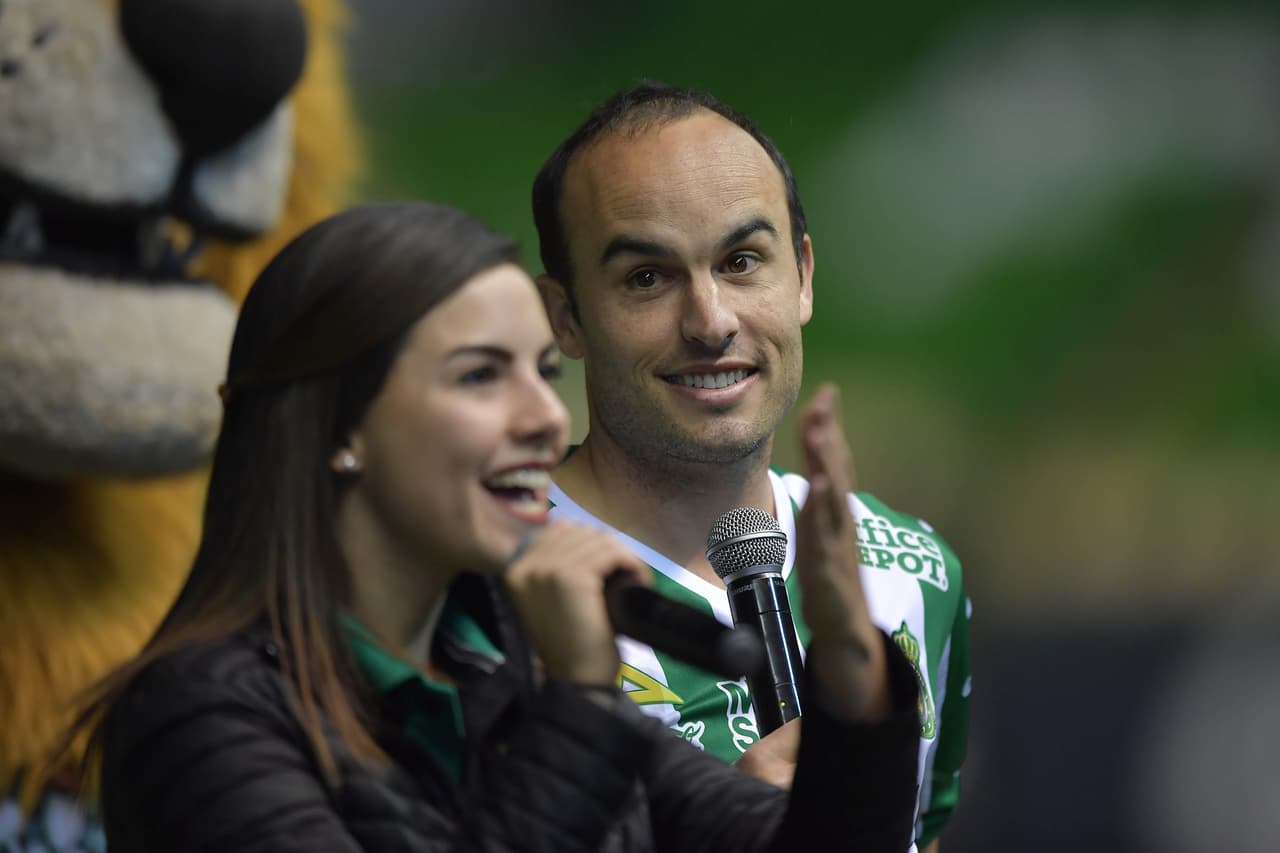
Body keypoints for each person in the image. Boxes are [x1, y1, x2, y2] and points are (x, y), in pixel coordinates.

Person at [72, 202, 922, 852]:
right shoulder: (201, 719)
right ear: (338, 425)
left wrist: (853, 667)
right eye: (481, 376)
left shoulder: (503, 676)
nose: (547, 418)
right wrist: (581, 703)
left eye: (544, 372)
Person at [532, 82, 972, 852]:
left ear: (802, 275)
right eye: (647, 277)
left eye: (740, 261)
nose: (710, 321)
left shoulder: (916, 571)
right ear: (566, 317)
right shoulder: (497, 584)